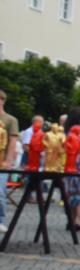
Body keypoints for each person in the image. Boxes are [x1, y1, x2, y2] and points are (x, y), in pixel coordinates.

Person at [0, 89, 20, 234]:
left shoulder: (10, 120)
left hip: (1, 162)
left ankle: (0, 221)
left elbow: (13, 142)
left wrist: (8, 161)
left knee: (0, 193)